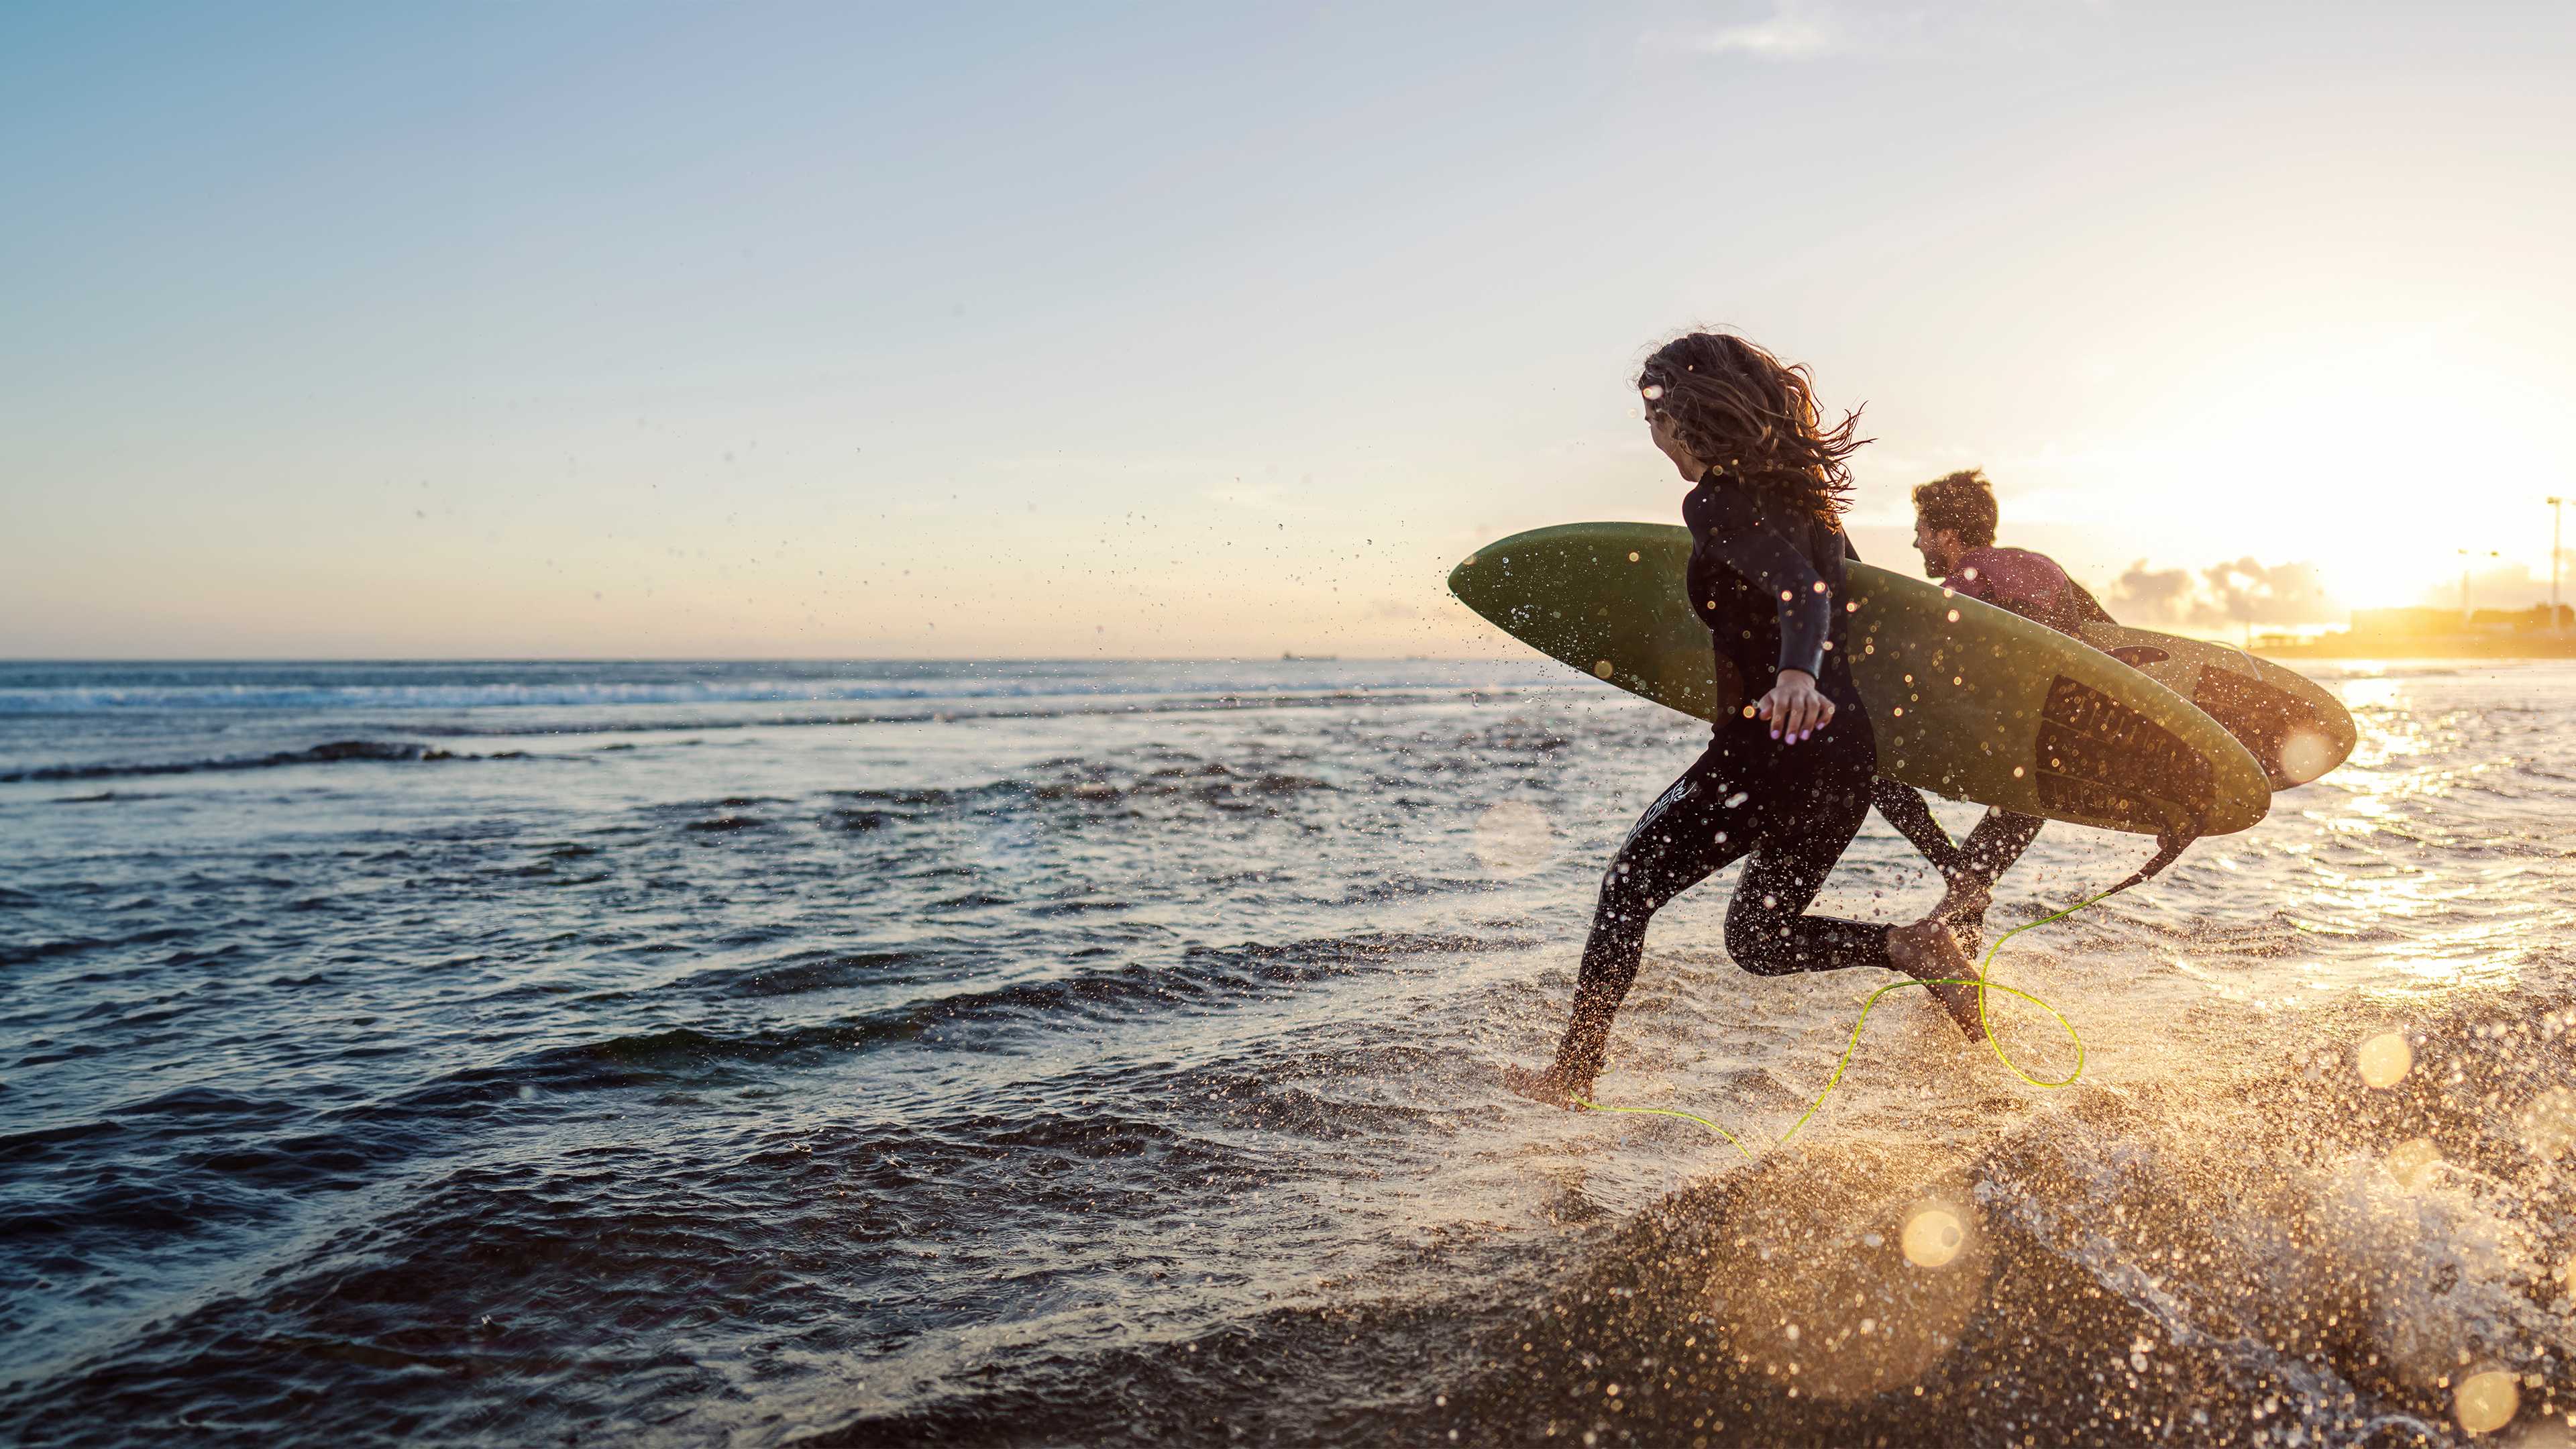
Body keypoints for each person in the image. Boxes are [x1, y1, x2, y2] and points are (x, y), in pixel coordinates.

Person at [1505, 333, 1982, 1110]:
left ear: (1692, 415)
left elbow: (1802, 594)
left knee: (1629, 886)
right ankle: (1909, 946)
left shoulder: (1715, 501)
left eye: (1656, 411)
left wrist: (1793, 673)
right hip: (1842, 760)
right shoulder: (1816, 507)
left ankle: (1574, 1076)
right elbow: (1846, 617)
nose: (1650, 430)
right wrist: (1926, 833)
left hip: (1768, 753)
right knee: (1758, 939)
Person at [1866, 470, 2116, 941]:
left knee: (1866, 763)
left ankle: (1956, 874)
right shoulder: (2046, 566)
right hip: (2049, 745)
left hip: (1998, 731)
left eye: (1921, 530)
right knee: (2021, 806)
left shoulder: (1969, 577)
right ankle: (1966, 908)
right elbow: (2109, 639)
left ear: (1946, 533)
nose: (1916, 543)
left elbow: (1923, 660)